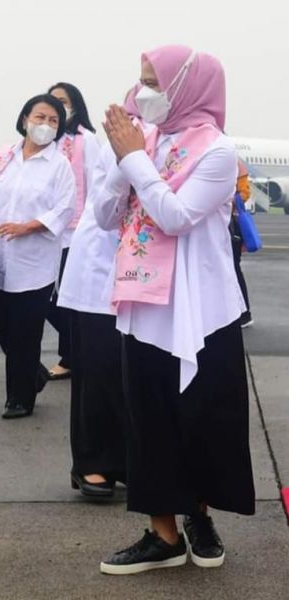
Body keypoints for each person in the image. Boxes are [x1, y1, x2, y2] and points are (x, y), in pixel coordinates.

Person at [95, 45, 255, 575]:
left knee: (204, 416)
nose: (144, 93)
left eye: (153, 83)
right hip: (146, 302)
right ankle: (161, 532)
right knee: (149, 416)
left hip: (201, 308)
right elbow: (103, 214)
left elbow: (177, 216)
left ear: (188, 87)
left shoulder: (217, 151)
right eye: (141, 81)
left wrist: (136, 158)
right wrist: (126, 159)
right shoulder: (146, 140)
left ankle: (200, 516)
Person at [55, 94, 144, 498]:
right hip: (100, 269)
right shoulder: (116, 143)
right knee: (99, 371)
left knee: (133, 374)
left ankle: (128, 460)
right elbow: (108, 204)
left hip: (145, 274)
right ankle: (91, 464)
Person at [0, 94, 75, 419]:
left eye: (53, 121)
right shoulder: (3, 157)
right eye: (40, 117)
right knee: (0, 322)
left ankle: (19, 399)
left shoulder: (59, 165)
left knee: (26, 333)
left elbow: (65, 208)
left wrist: (29, 226)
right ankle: (35, 375)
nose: (45, 125)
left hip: (35, 265)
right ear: (26, 118)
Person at [45, 82, 98, 381]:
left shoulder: (85, 140)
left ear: (75, 104)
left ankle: (70, 356)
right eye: (52, 101)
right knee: (45, 299)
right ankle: (79, 348)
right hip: (43, 230)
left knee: (63, 297)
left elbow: (95, 184)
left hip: (75, 232)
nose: (57, 105)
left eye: (62, 101)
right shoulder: (44, 140)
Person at [231, 160, 253, 327]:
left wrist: (225, 200)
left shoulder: (235, 163)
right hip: (221, 224)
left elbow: (244, 193)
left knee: (233, 269)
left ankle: (244, 313)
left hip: (231, 225)